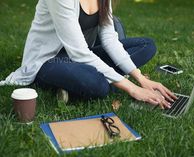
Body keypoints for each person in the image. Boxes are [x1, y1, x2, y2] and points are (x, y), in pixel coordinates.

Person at [0, 0, 177, 109]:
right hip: (48, 61)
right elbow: (79, 53)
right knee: (98, 85)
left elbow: (109, 38)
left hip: (83, 55)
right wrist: (132, 88)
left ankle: (80, 83)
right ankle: (88, 81)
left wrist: (141, 79)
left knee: (146, 46)